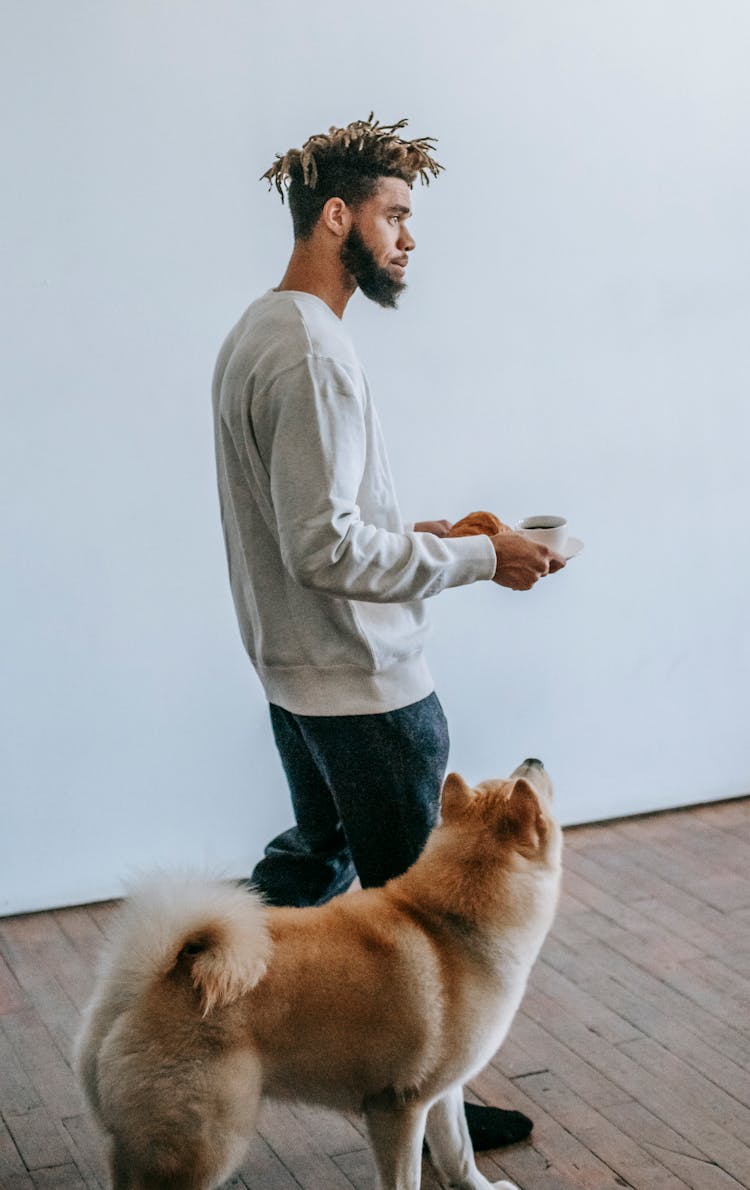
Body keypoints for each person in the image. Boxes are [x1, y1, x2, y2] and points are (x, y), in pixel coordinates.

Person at [211, 114, 565, 1151]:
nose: (409, 238)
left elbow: (313, 531)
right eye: (395, 215)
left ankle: (179, 993)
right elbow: (324, 548)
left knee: (306, 865)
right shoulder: (314, 353)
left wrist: (436, 531)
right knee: (436, 935)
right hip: (368, 693)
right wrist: (478, 558)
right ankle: (444, 1134)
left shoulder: (258, 331)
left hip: (298, 678)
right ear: (338, 215)